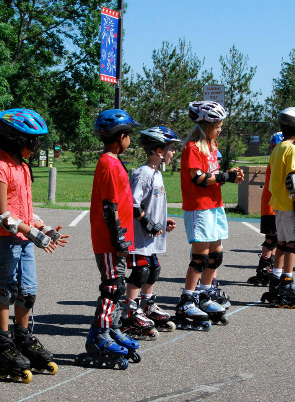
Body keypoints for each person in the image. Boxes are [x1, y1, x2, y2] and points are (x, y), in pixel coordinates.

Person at [0, 108, 67, 382]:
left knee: (27, 293)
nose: (36, 146)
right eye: (32, 141)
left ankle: (23, 337)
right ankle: (3, 345)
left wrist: (43, 227)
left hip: (24, 237)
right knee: (7, 290)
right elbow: (3, 215)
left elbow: (25, 211)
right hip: (4, 238)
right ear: (15, 139)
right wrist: (33, 234)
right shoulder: (0, 168)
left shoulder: (23, 167)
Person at [76, 109, 141, 370]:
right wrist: (118, 239)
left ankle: (111, 328)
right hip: (110, 239)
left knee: (119, 287)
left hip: (116, 238)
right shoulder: (109, 163)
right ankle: (99, 336)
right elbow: (109, 206)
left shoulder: (114, 162)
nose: (130, 141)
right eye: (129, 136)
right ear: (120, 137)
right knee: (112, 286)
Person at [174, 100, 243, 330]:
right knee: (200, 258)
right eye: (217, 124)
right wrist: (226, 177)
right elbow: (198, 179)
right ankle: (187, 299)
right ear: (204, 125)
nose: (220, 128)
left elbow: (213, 175)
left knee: (216, 256)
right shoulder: (193, 147)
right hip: (199, 207)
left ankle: (205, 295)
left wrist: (229, 174)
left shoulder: (212, 146)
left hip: (215, 205)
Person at [120, 126, 181, 340]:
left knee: (154, 269)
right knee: (141, 272)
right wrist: (148, 223)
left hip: (149, 236)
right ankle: (129, 312)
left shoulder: (156, 173)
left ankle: (146, 305)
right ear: (159, 151)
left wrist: (163, 221)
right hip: (137, 237)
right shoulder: (143, 174)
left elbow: (151, 204)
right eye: (171, 148)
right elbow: (132, 204)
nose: (174, 152)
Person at [260, 107, 295, 309]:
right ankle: (287, 283)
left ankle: (275, 279)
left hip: (278, 205)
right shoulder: (292, 149)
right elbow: (292, 179)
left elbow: (276, 180)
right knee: (293, 244)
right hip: (291, 205)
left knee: (281, 244)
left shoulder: (277, 149)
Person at [248, 132, 283, 286]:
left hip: (274, 205)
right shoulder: (276, 161)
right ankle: (263, 269)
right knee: (272, 238)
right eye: (273, 147)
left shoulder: (277, 160)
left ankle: (269, 266)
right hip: (271, 205)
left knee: (275, 239)